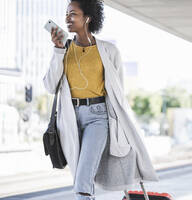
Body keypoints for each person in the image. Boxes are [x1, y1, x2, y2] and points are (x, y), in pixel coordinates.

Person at [43, 0, 159, 199]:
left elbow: (118, 93)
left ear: (87, 18)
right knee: (80, 175)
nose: (67, 19)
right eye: (66, 14)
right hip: (70, 118)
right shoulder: (64, 49)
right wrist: (58, 50)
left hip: (99, 117)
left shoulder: (108, 51)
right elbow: (49, 86)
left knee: (83, 180)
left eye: (73, 14)